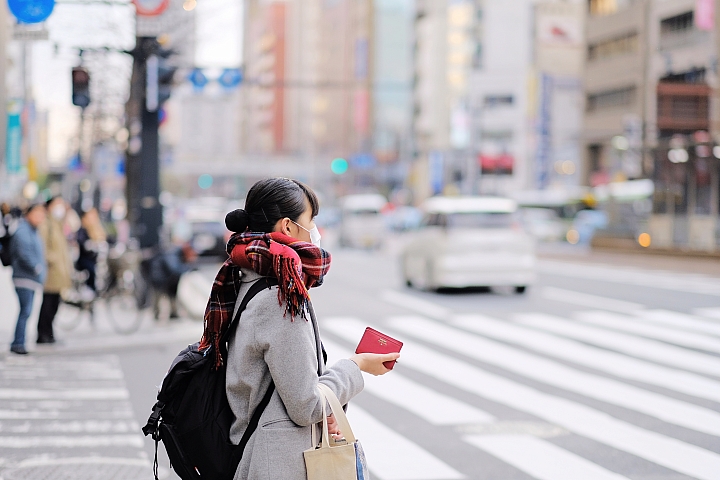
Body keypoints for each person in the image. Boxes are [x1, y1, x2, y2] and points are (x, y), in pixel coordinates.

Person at [200, 178, 399, 480]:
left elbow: (283, 386)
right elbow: (305, 405)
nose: (317, 231)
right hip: (277, 466)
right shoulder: (279, 297)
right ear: (289, 227)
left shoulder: (246, 278)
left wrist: (326, 409)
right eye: (311, 220)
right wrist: (356, 366)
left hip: (261, 454)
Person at [8, 203, 46, 354]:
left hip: (30, 278)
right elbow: (24, 253)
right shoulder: (23, 230)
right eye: (37, 213)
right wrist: (36, 267)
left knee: (26, 311)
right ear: (28, 213)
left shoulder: (33, 230)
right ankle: (18, 343)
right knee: (25, 310)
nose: (40, 217)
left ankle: (19, 341)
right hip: (24, 277)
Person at [37, 196, 73, 344]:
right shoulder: (46, 225)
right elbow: (43, 248)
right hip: (51, 272)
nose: (60, 207)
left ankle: (49, 332)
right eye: (57, 204)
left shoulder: (58, 224)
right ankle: (43, 333)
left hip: (60, 272)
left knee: (55, 303)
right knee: (48, 303)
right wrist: (54, 260)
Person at [148, 243, 197, 319]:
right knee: (158, 296)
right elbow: (174, 268)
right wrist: (188, 268)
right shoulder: (173, 253)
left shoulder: (178, 254)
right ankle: (156, 314)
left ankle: (173, 312)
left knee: (172, 294)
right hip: (159, 277)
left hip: (168, 278)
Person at [75, 208, 106, 292]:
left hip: (97, 259)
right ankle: (91, 289)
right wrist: (89, 244)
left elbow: (108, 239)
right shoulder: (82, 230)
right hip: (85, 259)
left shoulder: (98, 229)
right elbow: (81, 240)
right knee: (92, 270)